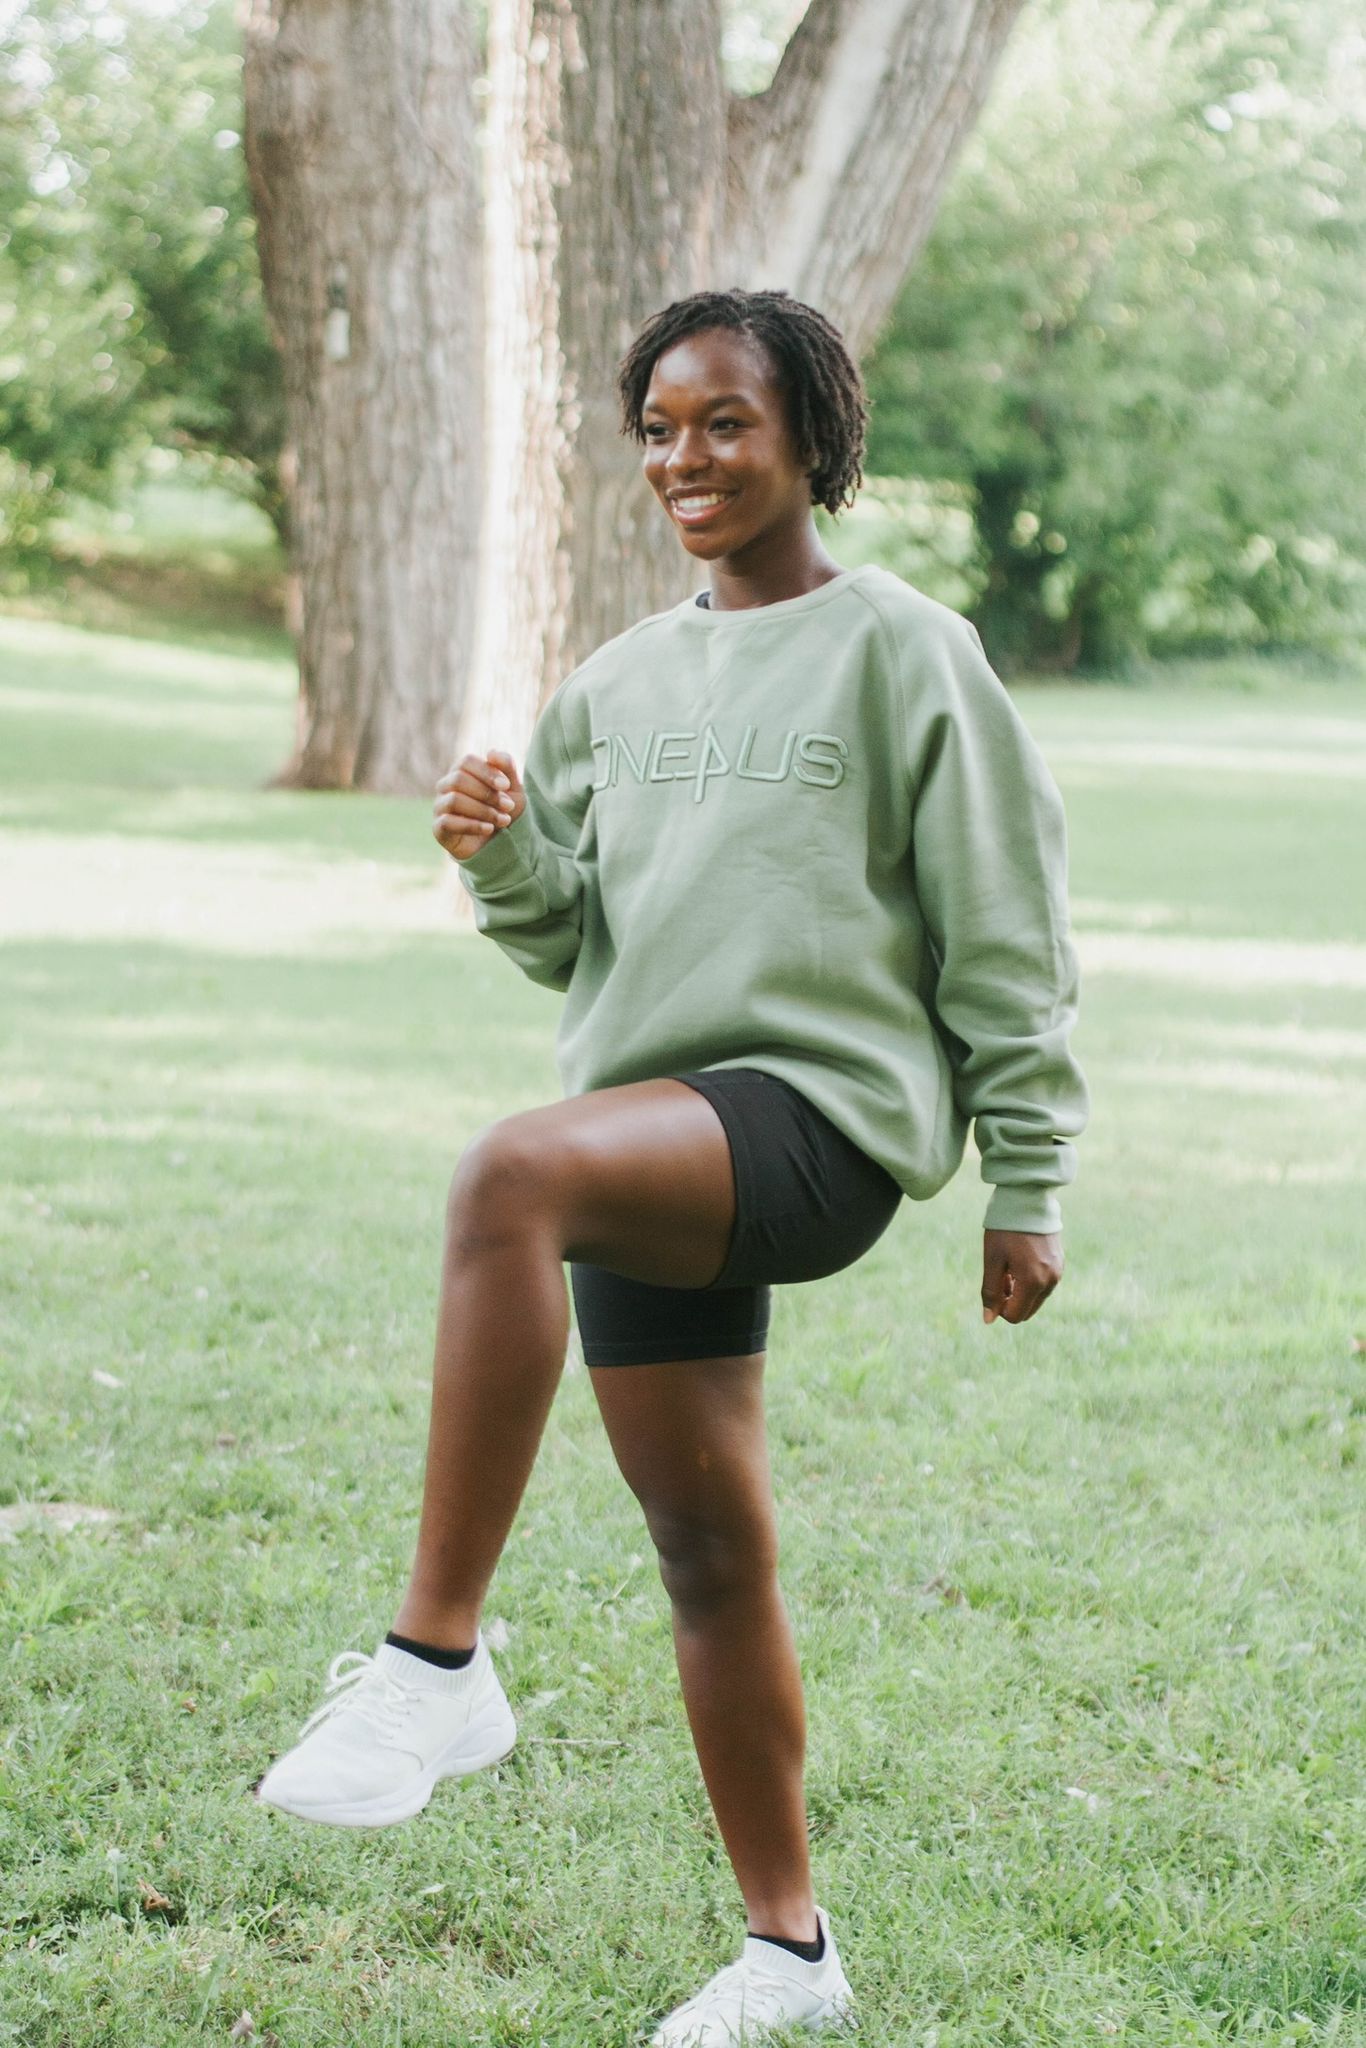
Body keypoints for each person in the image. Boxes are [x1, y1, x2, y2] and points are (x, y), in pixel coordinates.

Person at [255, 286, 1090, 2045]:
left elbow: (1002, 930)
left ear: (811, 439)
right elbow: (579, 949)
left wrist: (1027, 1176)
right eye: (657, 426)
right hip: (654, 1136)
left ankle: (432, 1666)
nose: (686, 458)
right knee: (709, 1552)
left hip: (815, 1124)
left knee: (504, 1178)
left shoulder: (903, 649)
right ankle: (790, 1957)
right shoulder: (616, 684)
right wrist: (498, 861)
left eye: (725, 421)